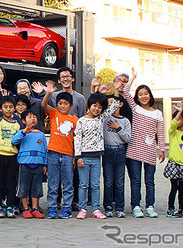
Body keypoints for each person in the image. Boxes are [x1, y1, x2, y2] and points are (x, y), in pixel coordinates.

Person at [73, 90, 121, 219]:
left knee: (95, 185)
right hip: (83, 157)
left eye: (100, 107)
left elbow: (114, 106)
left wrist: (116, 90)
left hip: (96, 158)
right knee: (83, 185)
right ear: (89, 105)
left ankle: (96, 209)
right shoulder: (81, 121)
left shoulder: (100, 119)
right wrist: (78, 157)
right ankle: (82, 209)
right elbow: (77, 139)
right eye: (95, 105)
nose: (97, 109)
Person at [123, 68, 165, 218]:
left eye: (145, 93)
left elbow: (160, 132)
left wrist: (162, 149)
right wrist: (133, 77)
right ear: (138, 98)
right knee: (135, 180)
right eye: (140, 94)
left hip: (149, 150)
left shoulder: (157, 113)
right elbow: (126, 92)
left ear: (150, 95)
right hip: (134, 149)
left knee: (150, 181)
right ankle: (136, 206)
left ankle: (150, 206)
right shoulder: (136, 109)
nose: (143, 96)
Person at [42, 80, 78, 219]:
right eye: (60, 103)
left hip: (68, 155)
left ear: (71, 105)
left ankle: (67, 208)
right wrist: (49, 93)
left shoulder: (75, 120)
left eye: (66, 103)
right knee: (53, 182)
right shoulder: (54, 113)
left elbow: (77, 140)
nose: (63, 106)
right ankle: (52, 208)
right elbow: (44, 105)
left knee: (68, 183)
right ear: (57, 105)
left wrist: (75, 156)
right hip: (53, 153)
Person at [11, 110, 47, 219]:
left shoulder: (41, 134)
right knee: (23, 187)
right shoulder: (22, 132)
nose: (33, 119)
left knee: (37, 188)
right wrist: (24, 132)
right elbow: (14, 141)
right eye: (30, 117)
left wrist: (45, 164)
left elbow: (45, 150)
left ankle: (35, 208)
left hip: (38, 165)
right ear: (23, 120)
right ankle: (25, 209)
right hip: (25, 165)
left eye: (34, 117)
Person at [102, 94, 131, 218]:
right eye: (109, 104)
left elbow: (127, 138)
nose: (111, 106)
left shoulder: (125, 121)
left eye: (114, 103)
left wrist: (118, 127)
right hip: (107, 150)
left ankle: (119, 207)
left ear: (120, 104)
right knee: (108, 181)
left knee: (119, 182)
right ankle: (108, 206)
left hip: (120, 151)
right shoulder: (104, 119)